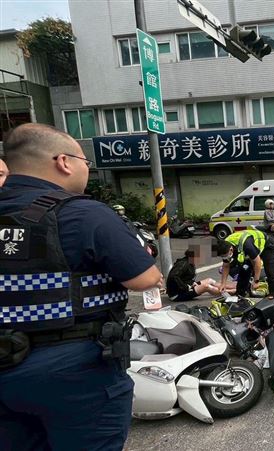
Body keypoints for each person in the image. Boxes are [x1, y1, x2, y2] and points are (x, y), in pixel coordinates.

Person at [0, 123, 162, 450]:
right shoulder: (81, 213)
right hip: (73, 370)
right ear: (63, 162)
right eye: (85, 162)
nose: (86, 169)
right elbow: (146, 277)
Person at [218, 229, 266, 296]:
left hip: (264, 243)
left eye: (225, 256)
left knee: (270, 271)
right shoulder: (225, 246)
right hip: (244, 249)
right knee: (243, 270)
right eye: (223, 257)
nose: (225, 258)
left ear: (231, 250)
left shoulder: (247, 246)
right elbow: (226, 266)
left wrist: (256, 281)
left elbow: (257, 261)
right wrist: (223, 284)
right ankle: (241, 293)